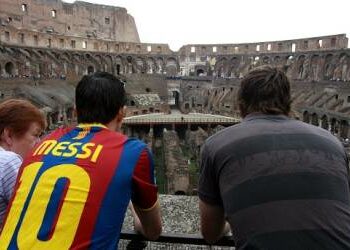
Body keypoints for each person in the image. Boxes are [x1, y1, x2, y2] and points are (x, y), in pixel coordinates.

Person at [0, 72, 162, 249]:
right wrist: (132, 206)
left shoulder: (42, 144)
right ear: (121, 114)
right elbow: (152, 231)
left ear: (76, 111)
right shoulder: (134, 152)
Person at [198, 66, 350, 249]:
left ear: (240, 104)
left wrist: (231, 221)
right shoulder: (333, 144)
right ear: (289, 103)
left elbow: (210, 234)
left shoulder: (217, 145)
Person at [0, 99, 45, 227]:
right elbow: (34, 212)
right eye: (35, 135)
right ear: (8, 135)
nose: (39, 142)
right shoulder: (8, 161)